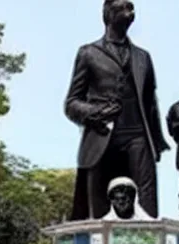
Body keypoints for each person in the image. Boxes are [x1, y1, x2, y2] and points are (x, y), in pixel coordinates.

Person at [65, 0, 169, 220]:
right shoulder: (89, 53)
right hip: (102, 135)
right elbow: (72, 103)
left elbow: (151, 105)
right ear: (108, 15)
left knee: (147, 202)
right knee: (99, 205)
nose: (130, 12)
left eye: (131, 8)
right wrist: (96, 112)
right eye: (123, 7)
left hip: (138, 135)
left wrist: (157, 141)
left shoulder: (143, 57)